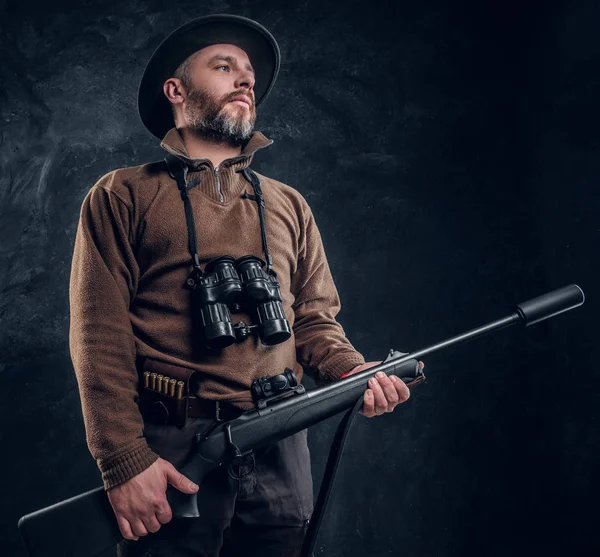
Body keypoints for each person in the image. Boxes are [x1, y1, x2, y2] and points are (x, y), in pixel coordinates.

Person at [69, 13, 416, 557]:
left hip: (280, 443)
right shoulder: (122, 195)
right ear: (176, 90)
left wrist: (354, 372)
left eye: (249, 72)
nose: (245, 80)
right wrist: (123, 461)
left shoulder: (288, 204)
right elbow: (99, 335)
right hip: (172, 449)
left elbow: (314, 321)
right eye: (224, 66)